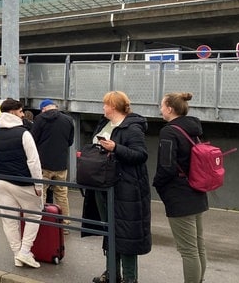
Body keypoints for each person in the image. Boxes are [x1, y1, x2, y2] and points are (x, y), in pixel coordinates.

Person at [82, 91, 151, 283]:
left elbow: (140, 155)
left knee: (126, 235)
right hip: (104, 186)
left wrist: (116, 148)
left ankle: (130, 278)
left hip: (126, 189)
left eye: (105, 104)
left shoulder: (132, 128)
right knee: (109, 231)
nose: (103, 107)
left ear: (113, 106)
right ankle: (112, 273)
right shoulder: (104, 124)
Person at [154, 92, 208, 283]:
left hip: (179, 195)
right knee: (198, 246)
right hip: (197, 190)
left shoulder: (169, 131)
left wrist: (157, 184)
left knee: (188, 250)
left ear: (169, 108)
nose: (160, 109)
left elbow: (166, 166)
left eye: (162, 106)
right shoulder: (194, 128)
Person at [0, 98, 44, 269]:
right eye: (20, 112)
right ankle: (25, 252)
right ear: (13, 112)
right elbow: (34, 162)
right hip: (23, 182)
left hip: (1, 182)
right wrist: (38, 186)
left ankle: (17, 254)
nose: (22, 115)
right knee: (34, 215)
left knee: (9, 219)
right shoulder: (24, 133)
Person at [31, 99, 74, 231]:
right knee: (61, 195)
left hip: (43, 164)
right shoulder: (68, 120)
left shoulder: (39, 119)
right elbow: (70, 141)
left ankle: (42, 224)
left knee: (41, 194)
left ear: (43, 109)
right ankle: (64, 225)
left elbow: (33, 139)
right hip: (61, 164)